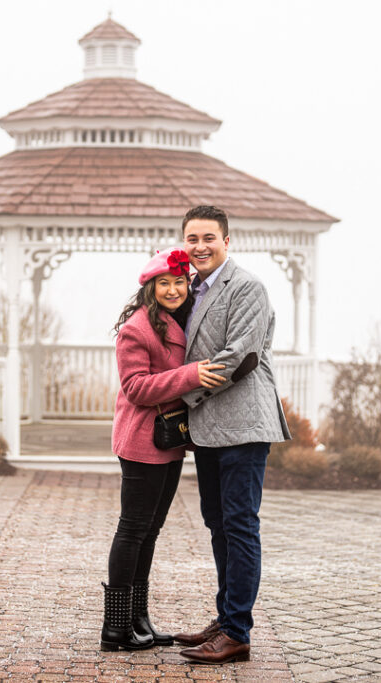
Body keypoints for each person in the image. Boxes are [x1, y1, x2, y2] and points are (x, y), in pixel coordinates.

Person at [174, 205, 291, 664]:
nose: (200, 246)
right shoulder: (192, 290)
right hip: (209, 429)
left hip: (242, 424)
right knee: (218, 524)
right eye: (192, 238)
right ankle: (225, 619)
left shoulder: (247, 287)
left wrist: (180, 397)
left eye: (208, 238)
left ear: (227, 241)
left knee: (240, 526)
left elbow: (240, 357)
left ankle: (238, 632)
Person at [101, 247, 227, 652]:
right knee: (133, 529)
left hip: (168, 440)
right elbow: (135, 387)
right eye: (164, 283)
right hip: (141, 441)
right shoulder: (137, 329)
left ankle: (139, 619)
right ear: (149, 288)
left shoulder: (177, 321)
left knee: (149, 532)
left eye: (178, 282)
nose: (173, 289)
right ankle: (115, 627)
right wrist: (191, 376)